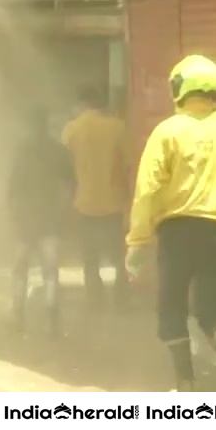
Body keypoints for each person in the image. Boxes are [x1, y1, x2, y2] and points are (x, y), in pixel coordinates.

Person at [125, 54, 216, 392]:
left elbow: (147, 190)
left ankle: (186, 383)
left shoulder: (167, 132)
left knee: (172, 306)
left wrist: (137, 241)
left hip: (178, 232)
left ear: (179, 88)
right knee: (211, 309)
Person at [62, 86, 131, 308]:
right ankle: (120, 298)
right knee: (117, 254)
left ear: (82, 103)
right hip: (113, 201)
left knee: (89, 255)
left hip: (83, 201)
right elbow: (127, 164)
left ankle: (94, 298)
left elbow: (65, 168)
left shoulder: (71, 130)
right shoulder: (117, 128)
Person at [8, 109, 75, 337]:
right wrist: (64, 212)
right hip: (50, 217)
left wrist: (13, 214)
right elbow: (69, 185)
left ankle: (18, 316)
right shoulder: (59, 152)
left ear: (29, 126)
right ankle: (51, 319)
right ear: (47, 125)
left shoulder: (21, 152)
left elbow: (13, 189)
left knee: (20, 270)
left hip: (26, 219)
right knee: (50, 270)